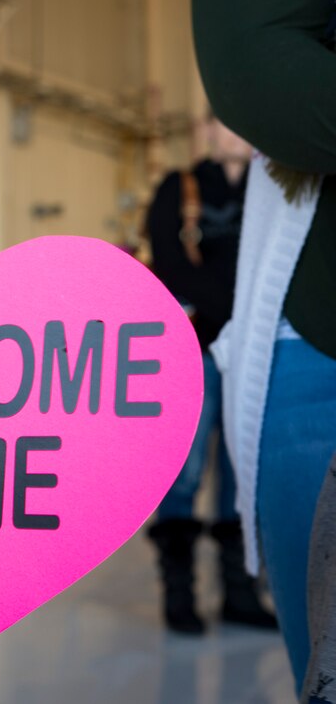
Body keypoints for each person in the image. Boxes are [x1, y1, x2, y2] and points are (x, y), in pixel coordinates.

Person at [193, 0, 336, 698]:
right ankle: (207, 594)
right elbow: (255, 62)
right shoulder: (183, 190)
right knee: (195, 489)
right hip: (278, 333)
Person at [144, 114, 277, 635]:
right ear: (208, 131)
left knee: (243, 473)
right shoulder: (180, 187)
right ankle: (179, 596)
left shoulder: (273, 192)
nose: (239, 133)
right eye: (228, 123)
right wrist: (236, 308)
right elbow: (171, 260)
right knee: (185, 469)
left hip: (253, 351)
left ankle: (239, 595)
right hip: (195, 352)